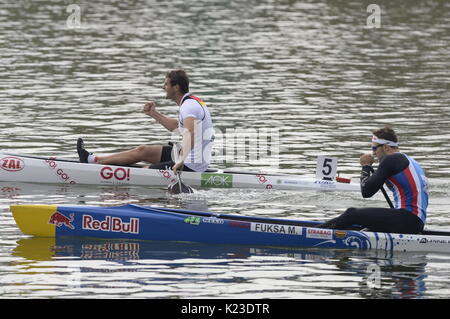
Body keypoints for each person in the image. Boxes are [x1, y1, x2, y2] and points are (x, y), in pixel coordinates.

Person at [77, 70, 215, 173]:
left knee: (144, 171)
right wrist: (153, 114)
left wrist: (180, 161)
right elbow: (177, 127)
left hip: (192, 164)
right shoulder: (193, 102)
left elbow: (189, 133)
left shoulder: (188, 106)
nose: (163, 87)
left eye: (166, 84)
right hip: (191, 156)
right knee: (143, 151)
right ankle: (93, 160)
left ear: (176, 87)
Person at [317, 126, 429, 234]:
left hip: (407, 219)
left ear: (386, 147)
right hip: (415, 222)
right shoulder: (410, 161)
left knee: (352, 214)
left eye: (375, 148)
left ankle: (316, 233)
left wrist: (365, 166)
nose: (373, 153)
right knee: (365, 227)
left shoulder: (391, 159)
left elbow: (366, 192)